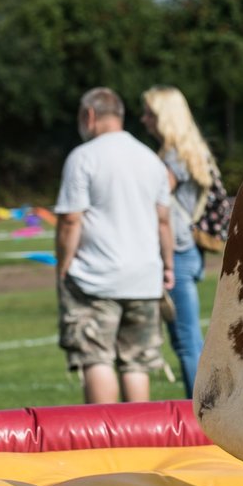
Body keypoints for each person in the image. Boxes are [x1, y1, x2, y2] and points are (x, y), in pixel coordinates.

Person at [55, 87, 174, 404]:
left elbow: (70, 220)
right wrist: (168, 265)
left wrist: (63, 264)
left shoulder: (83, 157)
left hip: (96, 278)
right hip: (145, 278)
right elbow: (164, 220)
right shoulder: (151, 160)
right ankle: (139, 443)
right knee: (137, 363)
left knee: (96, 357)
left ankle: (103, 441)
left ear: (89, 116)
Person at [141, 85, 217, 398]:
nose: (143, 120)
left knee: (187, 341)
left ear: (164, 117)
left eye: (149, 114)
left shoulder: (171, 159)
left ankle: (200, 415)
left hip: (176, 252)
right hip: (189, 251)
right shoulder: (189, 151)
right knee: (189, 339)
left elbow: (151, 198)